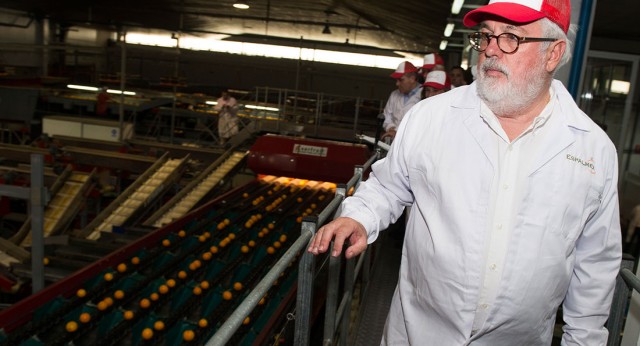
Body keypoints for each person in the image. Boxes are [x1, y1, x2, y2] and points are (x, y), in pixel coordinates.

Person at [307, 0, 622, 344]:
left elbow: (595, 262)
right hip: (417, 334)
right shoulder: (431, 119)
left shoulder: (592, 149)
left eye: (511, 38)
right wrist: (360, 218)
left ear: (553, 53)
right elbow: (387, 187)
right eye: (486, 36)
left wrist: (583, 339)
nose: (490, 51)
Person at [380, 61, 422, 141]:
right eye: (396, 80)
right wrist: (391, 128)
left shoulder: (423, 95)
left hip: (411, 140)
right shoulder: (394, 94)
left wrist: (396, 131)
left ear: (412, 79)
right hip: (392, 138)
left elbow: (417, 122)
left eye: (401, 80)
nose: (397, 84)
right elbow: (386, 116)